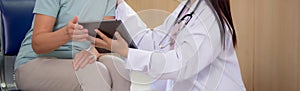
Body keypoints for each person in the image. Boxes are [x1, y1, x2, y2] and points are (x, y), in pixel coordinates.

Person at [91, 0, 246, 90]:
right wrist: (119, 4)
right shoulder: (188, 7)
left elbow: (180, 65)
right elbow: (155, 42)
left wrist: (128, 53)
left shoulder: (209, 17)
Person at [15, 0, 130, 90]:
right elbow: (38, 45)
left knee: (119, 68)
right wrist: (66, 34)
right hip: (33, 63)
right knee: (95, 73)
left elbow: (103, 40)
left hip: (76, 60)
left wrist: (92, 52)